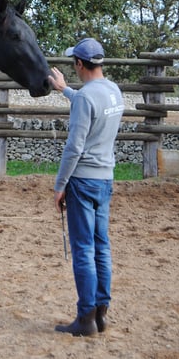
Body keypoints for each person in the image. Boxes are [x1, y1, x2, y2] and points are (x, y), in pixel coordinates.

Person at [49, 38, 124, 337]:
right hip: (105, 178)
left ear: (80, 64)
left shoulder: (84, 98)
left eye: (74, 64)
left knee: (83, 249)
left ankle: (85, 318)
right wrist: (65, 89)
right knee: (101, 247)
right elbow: (91, 107)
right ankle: (101, 314)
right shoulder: (114, 91)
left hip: (81, 181)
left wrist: (59, 185)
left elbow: (74, 147)